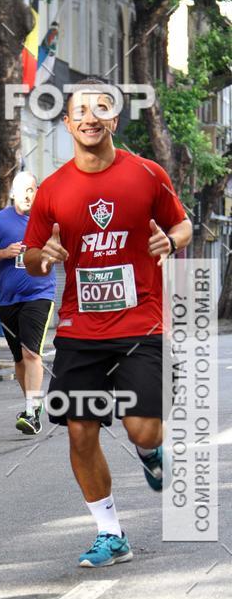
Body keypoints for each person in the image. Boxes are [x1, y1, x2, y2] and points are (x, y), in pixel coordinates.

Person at [23, 77, 192, 568]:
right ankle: (110, 532)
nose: (90, 118)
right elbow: (31, 257)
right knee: (80, 431)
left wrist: (171, 241)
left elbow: (181, 223)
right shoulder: (52, 190)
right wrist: (43, 255)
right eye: (81, 110)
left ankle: (151, 453)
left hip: (142, 326)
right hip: (80, 330)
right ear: (67, 122)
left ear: (114, 119)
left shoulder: (147, 174)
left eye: (101, 108)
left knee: (143, 431)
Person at [0, 171, 56, 434]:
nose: (27, 195)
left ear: (38, 193)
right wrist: (4, 252)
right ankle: (32, 404)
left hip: (39, 294)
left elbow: (64, 248)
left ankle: (32, 412)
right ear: (12, 192)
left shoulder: (48, 221)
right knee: (19, 359)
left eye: (32, 189)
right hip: (8, 300)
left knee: (31, 353)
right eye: (22, 189)